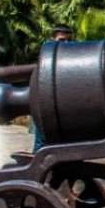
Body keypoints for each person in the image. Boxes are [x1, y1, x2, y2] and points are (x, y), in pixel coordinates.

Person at [30, 24, 74, 152]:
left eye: (69, 40)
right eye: (62, 40)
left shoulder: (71, 58)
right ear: (52, 39)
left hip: (58, 107)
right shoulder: (47, 56)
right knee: (41, 143)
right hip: (42, 105)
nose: (66, 44)